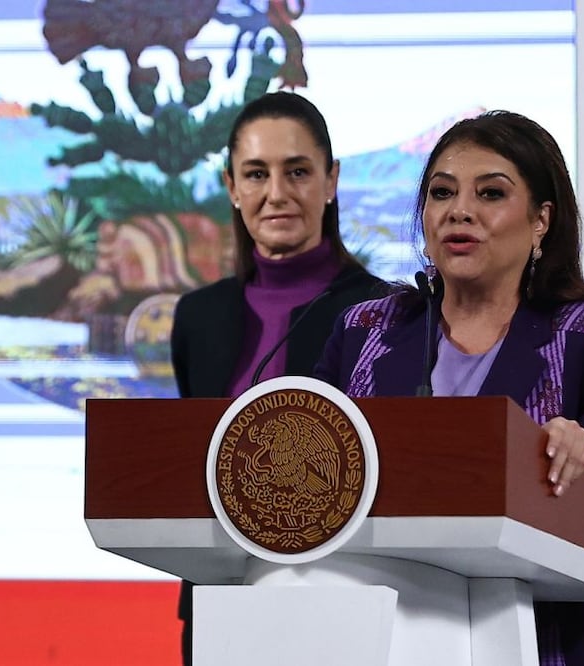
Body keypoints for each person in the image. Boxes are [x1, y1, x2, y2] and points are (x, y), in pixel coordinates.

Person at [314, 110, 584, 664]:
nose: (460, 211)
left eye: (491, 193)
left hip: (559, 636)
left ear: (541, 220)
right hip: (396, 632)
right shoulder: (365, 330)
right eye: (442, 192)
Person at [168, 91, 385, 665]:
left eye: (298, 172)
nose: (277, 194)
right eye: (257, 174)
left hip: (345, 598)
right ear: (233, 186)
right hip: (218, 599)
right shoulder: (196, 317)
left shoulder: (385, 312)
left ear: (331, 180)